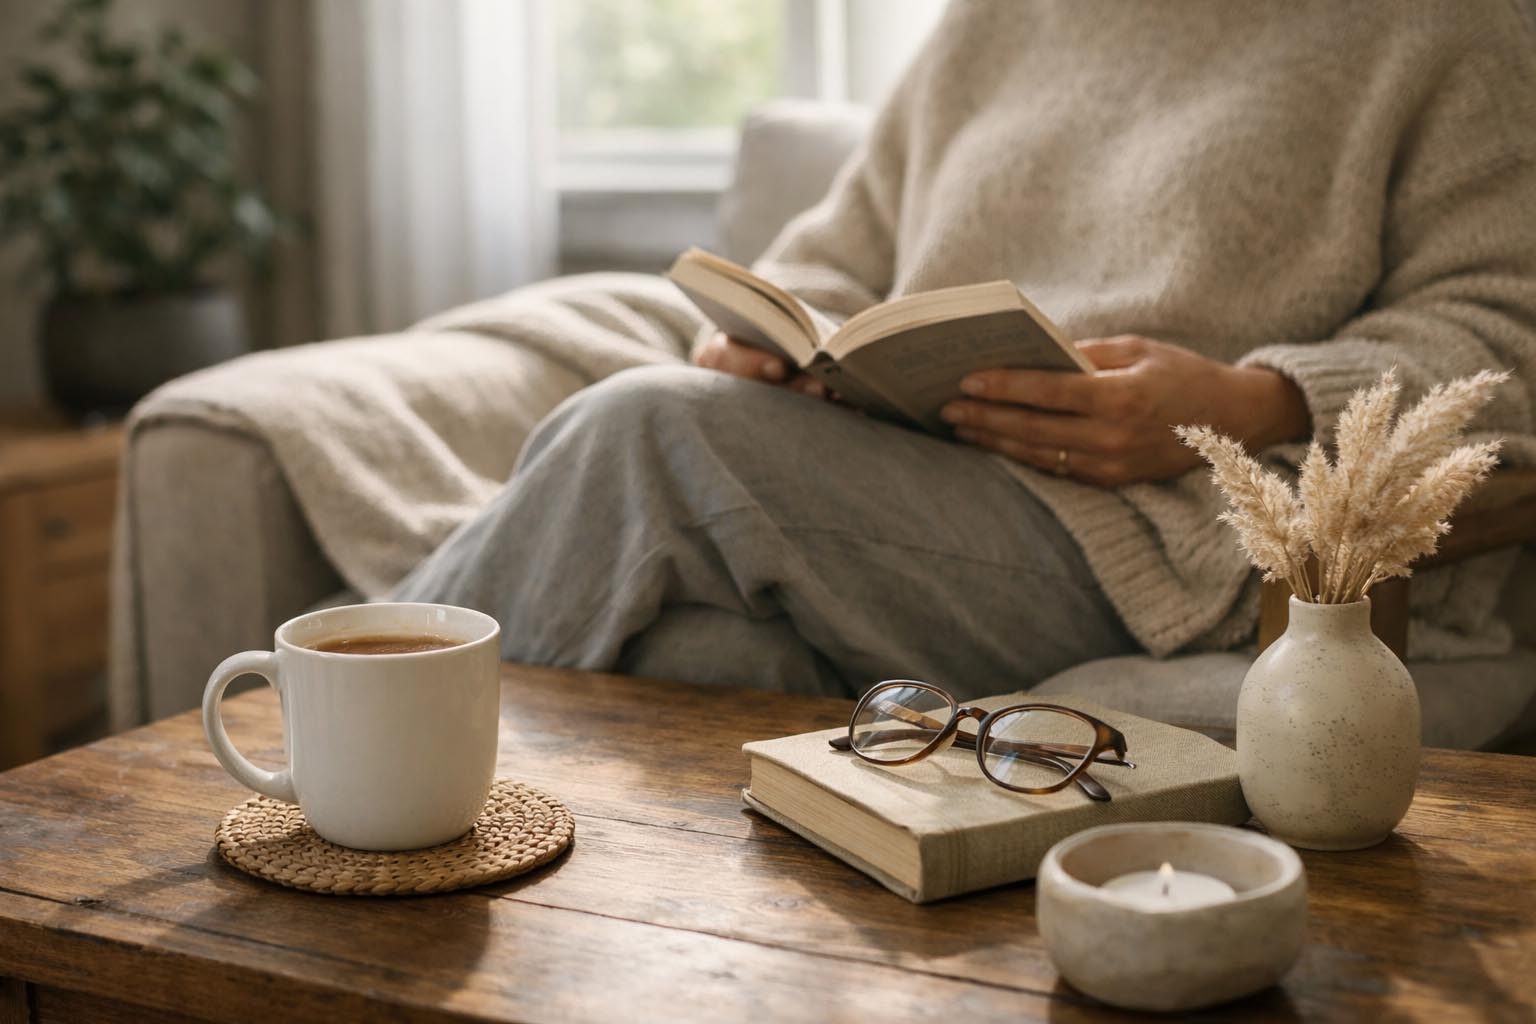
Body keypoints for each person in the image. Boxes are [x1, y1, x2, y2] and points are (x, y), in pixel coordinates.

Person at [392, 0, 1536, 697]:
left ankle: (307, 737)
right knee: (710, 661)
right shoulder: (996, 16)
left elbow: (1503, 332)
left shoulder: (1449, 23)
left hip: (1168, 540)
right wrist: (770, 337)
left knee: (641, 432)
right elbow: (832, 253)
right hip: (904, 482)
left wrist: (1251, 400)